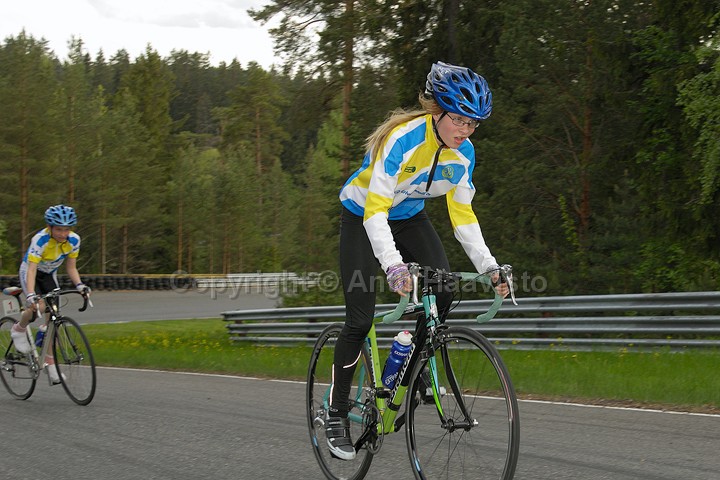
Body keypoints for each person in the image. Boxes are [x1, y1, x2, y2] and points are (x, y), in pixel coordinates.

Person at [327, 61, 509, 460]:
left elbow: (463, 215)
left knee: (443, 290)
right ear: (437, 111)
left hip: (409, 218)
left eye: (473, 123)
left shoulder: (464, 155)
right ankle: (336, 415)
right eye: (458, 119)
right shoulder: (402, 139)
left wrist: (489, 266)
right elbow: (375, 210)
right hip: (363, 215)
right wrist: (393, 266)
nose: (465, 130)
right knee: (360, 319)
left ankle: (413, 364)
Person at [10, 204, 91, 384]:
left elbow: (71, 267)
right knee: (38, 306)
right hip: (30, 272)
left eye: (66, 229)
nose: (63, 233)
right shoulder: (40, 240)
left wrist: (80, 285)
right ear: (50, 227)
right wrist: (31, 294)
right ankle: (19, 329)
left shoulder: (74, 240)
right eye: (59, 229)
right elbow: (32, 269)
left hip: (48, 275)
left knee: (54, 320)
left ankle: (50, 363)